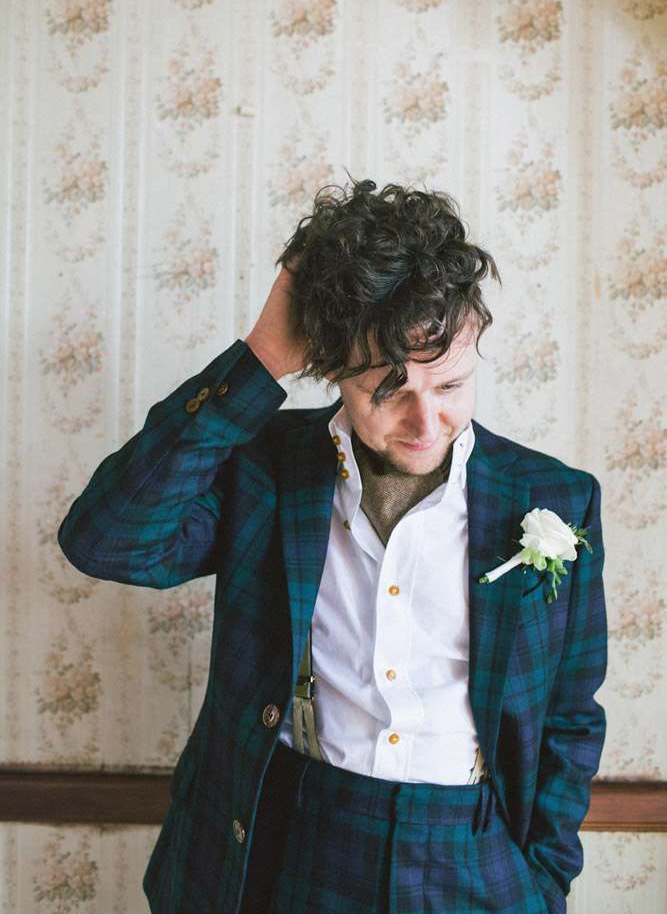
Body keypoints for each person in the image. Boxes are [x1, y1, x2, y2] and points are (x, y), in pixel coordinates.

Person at [57, 179, 607, 914]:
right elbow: (107, 542)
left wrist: (544, 877)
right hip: (294, 834)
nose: (425, 421)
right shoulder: (266, 467)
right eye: (389, 391)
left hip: (474, 848)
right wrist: (261, 358)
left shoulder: (557, 497)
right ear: (332, 370)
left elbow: (570, 713)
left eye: (449, 385)